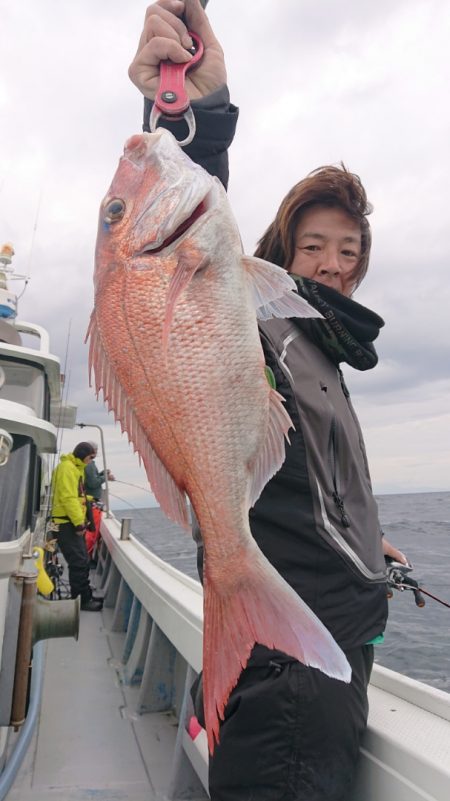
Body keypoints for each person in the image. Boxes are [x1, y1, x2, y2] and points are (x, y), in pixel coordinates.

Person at [129, 3, 408, 799]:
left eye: (349, 250)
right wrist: (194, 116)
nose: (333, 265)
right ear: (281, 251)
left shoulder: (321, 349)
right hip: (293, 671)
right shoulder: (262, 320)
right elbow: (185, 255)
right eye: (313, 246)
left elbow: (303, 478)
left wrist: (367, 541)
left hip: (320, 642)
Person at [50, 442, 103, 612]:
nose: (91, 461)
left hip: (69, 521)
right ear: (83, 455)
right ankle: (82, 601)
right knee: (79, 561)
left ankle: (85, 595)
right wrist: (79, 522)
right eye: (91, 457)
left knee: (82, 559)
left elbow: (76, 496)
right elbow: (67, 498)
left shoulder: (75, 468)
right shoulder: (67, 468)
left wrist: (89, 500)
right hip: (65, 523)